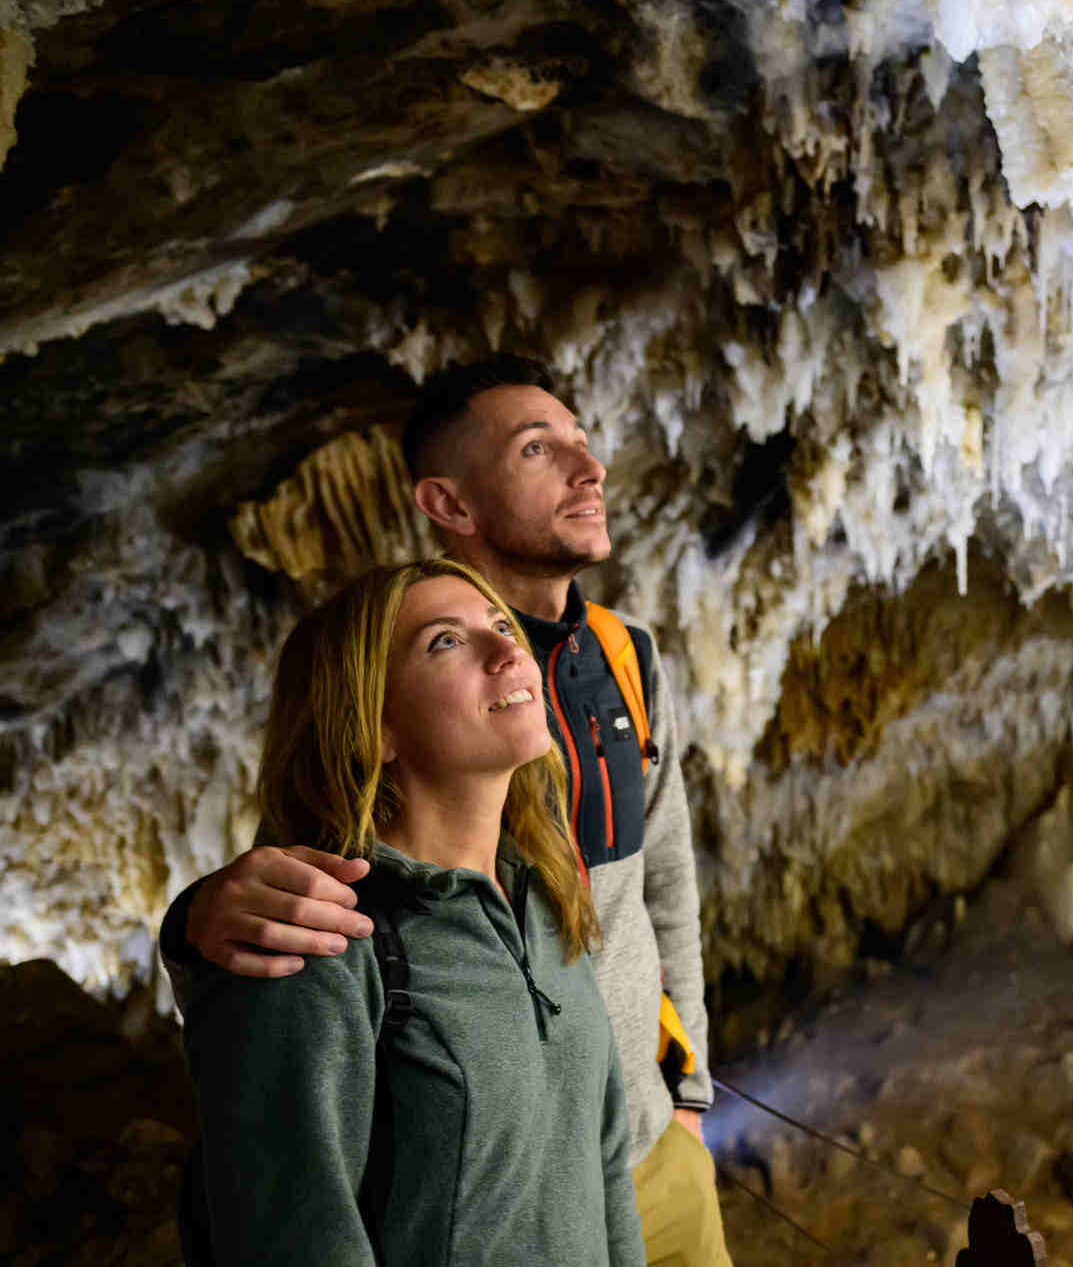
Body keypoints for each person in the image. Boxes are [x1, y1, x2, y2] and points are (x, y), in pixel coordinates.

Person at [162, 355, 732, 1266]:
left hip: (644, 1146)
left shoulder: (627, 658)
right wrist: (193, 926)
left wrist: (691, 1092)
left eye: (583, 442)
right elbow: (314, 885)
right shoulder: (389, 668)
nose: (590, 471)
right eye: (540, 449)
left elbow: (666, 881)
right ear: (451, 506)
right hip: (489, 1175)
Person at [182, 559, 645, 1265]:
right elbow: (298, 1239)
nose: (508, 649)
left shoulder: (547, 900)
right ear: (377, 726)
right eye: (446, 642)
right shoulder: (320, 935)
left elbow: (606, 1162)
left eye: (498, 624)